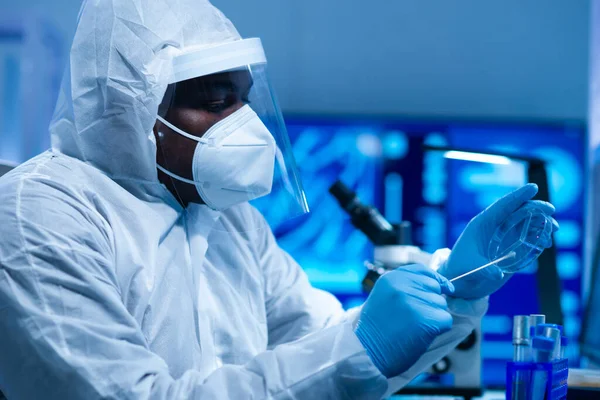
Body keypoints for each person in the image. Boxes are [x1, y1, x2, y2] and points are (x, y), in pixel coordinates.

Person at [0, 0, 558, 398]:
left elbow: (327, 345)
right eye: (215, 101)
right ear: (128, 111)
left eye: (243, 100)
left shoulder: (227, 222)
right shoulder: (41, 216)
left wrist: (456, 288)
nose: (243, 126)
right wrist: (364, 346)